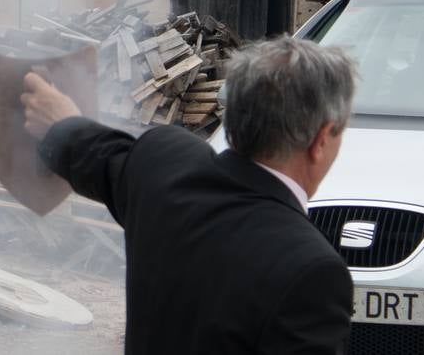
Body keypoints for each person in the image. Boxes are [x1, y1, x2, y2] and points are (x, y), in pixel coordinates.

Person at [22, 37, 357, 354]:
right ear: (322, 138)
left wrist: (59, 122)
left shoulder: (162, 165)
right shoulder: (312, 271)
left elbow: (95, 154)